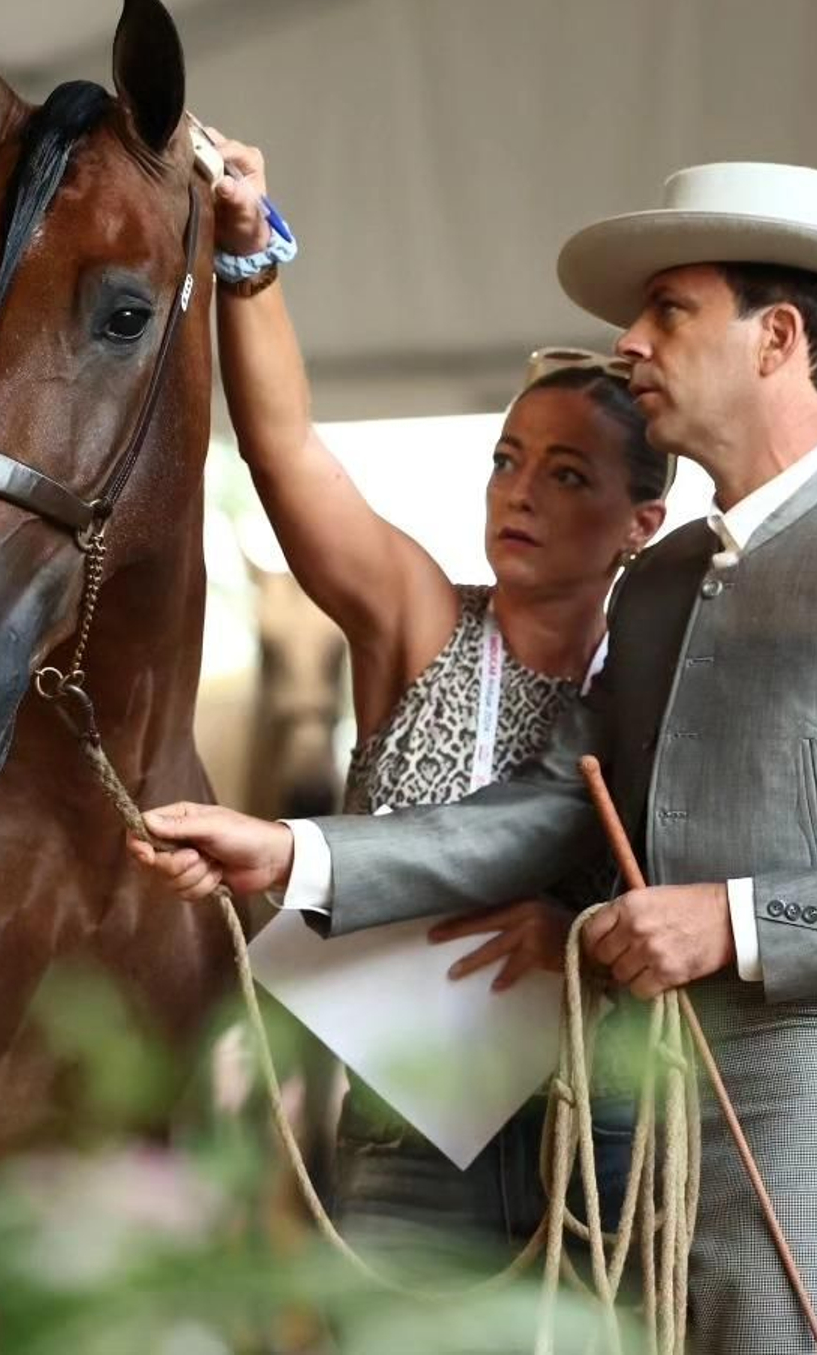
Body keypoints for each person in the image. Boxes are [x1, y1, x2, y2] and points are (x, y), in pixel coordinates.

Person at [135, 159, 817, 1354]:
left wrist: (737, 920)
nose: (630, 339)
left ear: (779, 339)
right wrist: (293, 851)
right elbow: (548, 809)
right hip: (642, 1162)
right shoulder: (658, 584)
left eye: (669, 311)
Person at [205, 131, 668, 1271]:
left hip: (599, 1130)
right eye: (508, 459)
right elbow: (287, 450)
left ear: (639, 522)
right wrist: (249, 260)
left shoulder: (668, 673)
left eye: (566, 476)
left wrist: (584, 939)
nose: (518, 494)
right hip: (406, 1130)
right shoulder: (418, 617)